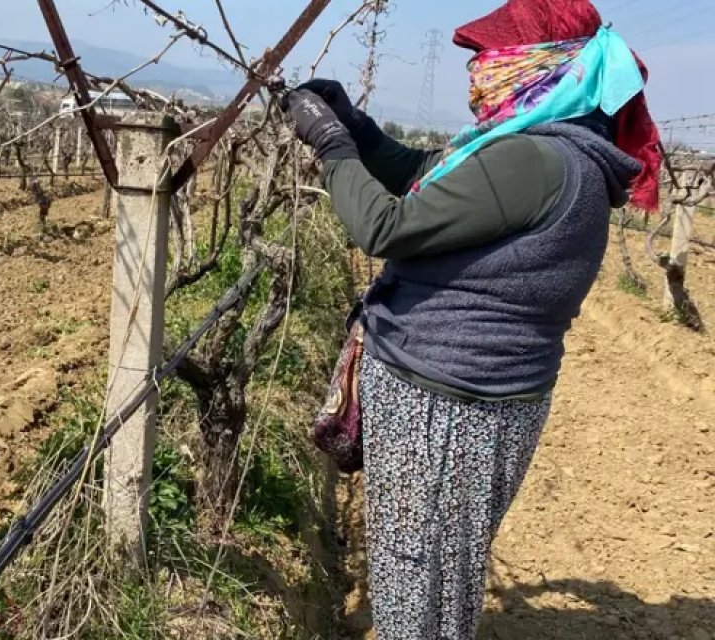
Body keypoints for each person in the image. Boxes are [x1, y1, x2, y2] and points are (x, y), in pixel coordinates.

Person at [280, 1, 661, 637]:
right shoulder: (561, 152)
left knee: (413, 577)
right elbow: (425, 177)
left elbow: (385, 225)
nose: (477, 72)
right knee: (440, 574)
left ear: (540, 65)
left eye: (490, 57)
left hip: (443, 408)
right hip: (477, 402)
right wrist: (361, 128)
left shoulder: (536, 159)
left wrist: (332, 144)